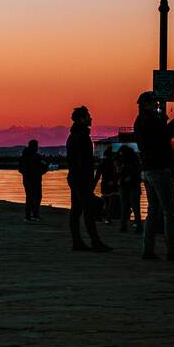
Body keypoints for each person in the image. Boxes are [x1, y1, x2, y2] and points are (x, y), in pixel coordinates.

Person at [135, 93, 174, 261]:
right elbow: (168, 132)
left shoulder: (139, 121)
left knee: (153, 210)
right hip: (159, 169)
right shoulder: (151, 121)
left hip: (147, 170)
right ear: (147, 104)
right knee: (169, 211)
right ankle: (171, 251)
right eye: (155, 102)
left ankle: (148, 250)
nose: (157, 104)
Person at [66, 106, 110, 252]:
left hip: (75, 177)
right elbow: (82, 161)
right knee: (87, 209)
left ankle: (77, 242)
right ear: (81, 119)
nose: (91, 118)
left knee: (76, 210)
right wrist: (87, 177)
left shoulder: (73, 136)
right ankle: (94, 242)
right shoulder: (82, 136)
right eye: (88, 116)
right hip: (81, 178)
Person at [17, 139, 48, 222]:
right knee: (31, 197)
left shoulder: (37, 157)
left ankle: (34, 214)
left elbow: (45, 166)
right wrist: (28, 173)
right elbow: (20, 168)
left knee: (37, 197)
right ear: (33, 147)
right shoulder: (26, 157)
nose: (37, 148)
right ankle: (29, 216)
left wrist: (40, 172)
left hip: (36, 180)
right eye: (36, 146)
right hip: (29, 180)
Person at [117, 145, 143, 234]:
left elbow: (136, 172)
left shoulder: (132, 162)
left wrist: (129, 177)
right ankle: (134, 225)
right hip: (127, 185)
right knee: (131, 206)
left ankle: (126, 225)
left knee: (129, 206)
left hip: (131, 185)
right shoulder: (132, 161)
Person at [98, 148, 120, 224]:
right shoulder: (114, 163)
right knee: (111, 203)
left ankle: (106, 217)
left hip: (104, 184)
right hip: (113, 185)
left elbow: (97, 176)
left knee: (106, 203)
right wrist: (114, 181)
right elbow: (117, 174)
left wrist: (92, 186)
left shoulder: (102, 163)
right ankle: (108, 218)